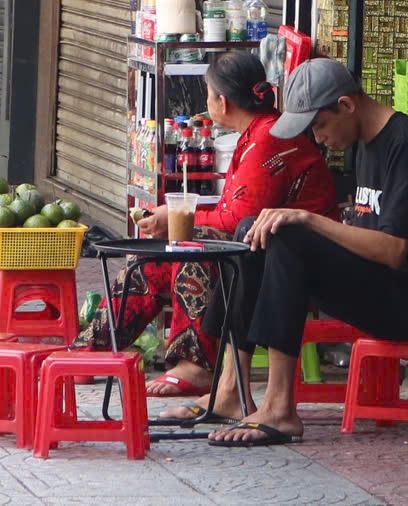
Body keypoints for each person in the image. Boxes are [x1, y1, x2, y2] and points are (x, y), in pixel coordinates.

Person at [206, 56, 408, 448]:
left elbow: (393, 250)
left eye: (319, 126)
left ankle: (280, 407)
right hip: (381, 285)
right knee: (252, 232)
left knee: (289, 236)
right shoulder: (362, 145)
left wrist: (308, 220)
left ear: (346, 106)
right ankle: (230, 389)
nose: (319, 139)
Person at [104, 49, 334, 401]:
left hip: (292, 260)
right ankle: (95, 348)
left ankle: (197, 363)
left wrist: (180, 221)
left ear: (222, 102)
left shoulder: (269, 139)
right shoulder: (254, 135)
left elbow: (238, 223)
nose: (207, 102)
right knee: (150, 264)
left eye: (208, 95)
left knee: (197, 244)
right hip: (265, 249)